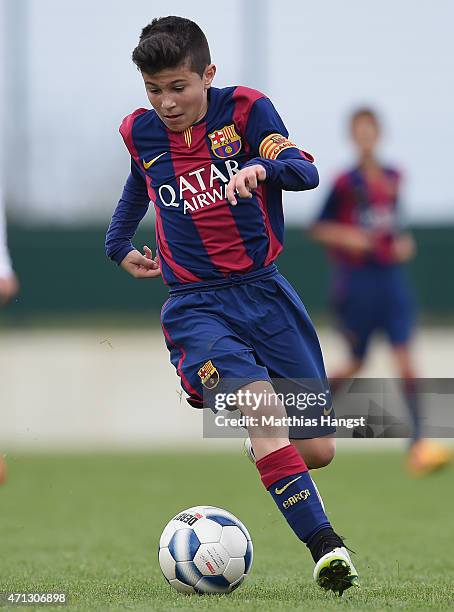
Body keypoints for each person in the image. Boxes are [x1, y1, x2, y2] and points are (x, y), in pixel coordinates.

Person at [106, 16, 359, 594]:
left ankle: (258, 440)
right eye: (154, 89)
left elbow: (305, 169)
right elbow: (136, 187)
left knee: (318, 450)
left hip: (267, 295)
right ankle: (327, 547)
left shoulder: (247, 112)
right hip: (194, 304)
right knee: (264, 409)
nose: (166, 103)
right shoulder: (140, 133)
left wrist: (261, 167)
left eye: (178, 87)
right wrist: (117, 246)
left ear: (208, 75)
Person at [311, 108, 451, 476]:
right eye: (359, 132)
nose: (366, 138)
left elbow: (394, 226)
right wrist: (348, 236)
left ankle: (419, 444)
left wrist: (404, 243)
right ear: (352, 137)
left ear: (379, 134)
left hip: (392, 281)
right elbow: (319, 226)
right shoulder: (344, 182)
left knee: (406, 359)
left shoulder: (393, 177)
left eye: (370, 131)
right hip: (357, 284)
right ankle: (307, 415)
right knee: (356, 361)